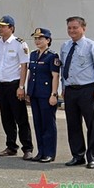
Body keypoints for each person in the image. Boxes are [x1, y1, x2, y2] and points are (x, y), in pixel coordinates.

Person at [60, 16, 94, 169]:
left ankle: (92, 157)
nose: (71, 31)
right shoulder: (65, 46)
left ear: (83, 28)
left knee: (92, 124)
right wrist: (64, 87)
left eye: (75, 27)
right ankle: (77, 155)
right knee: (73, 124)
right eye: (69, 28)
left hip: (88, 89)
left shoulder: (92, 46)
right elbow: (63, 68)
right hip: (71, 90)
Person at [0, 15, 33, 159]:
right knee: (6, 118)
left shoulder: (19, 44)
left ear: (11, 28)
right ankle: (11, 146)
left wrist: (21, 86)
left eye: (3, 26)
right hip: (2, 85)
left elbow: (24, 66)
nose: (0, 29)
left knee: (21, 118)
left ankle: (27, 148)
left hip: (15, 84)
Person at [26, 28, 60, 163]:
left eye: (40, 38)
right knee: (38, 123)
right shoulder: (33, 55)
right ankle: (41, 152)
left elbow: (55, 76)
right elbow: (31, 75)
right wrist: (29, 92)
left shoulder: (52, 56)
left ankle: (49, 153)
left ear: (48, 40)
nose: (37, 41)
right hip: (35, 94)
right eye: (36, 38)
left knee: (48, 124)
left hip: (46, 95)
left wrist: (53, 94)